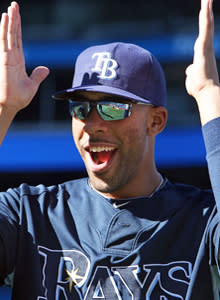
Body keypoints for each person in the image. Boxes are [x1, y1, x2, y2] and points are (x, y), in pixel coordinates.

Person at [0, 0, 220, 299]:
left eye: (112, 108)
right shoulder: (30, 213)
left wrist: (209, 96)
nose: (93, 123)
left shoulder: (203, 221)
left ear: (156, 121)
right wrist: (4, 109)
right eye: (81, 108)